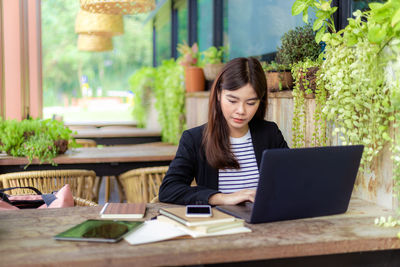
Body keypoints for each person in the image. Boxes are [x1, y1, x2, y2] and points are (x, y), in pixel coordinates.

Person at [159, 57, 288, 205]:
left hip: (265, 223)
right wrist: (222, 197)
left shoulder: (270, 133)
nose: (241, 111)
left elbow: (291, 178)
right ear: (219, 94)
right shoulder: (194, 139)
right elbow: (169, 189)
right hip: (220, 225)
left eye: (251, 103)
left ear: (260, 101)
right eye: (232, 101)